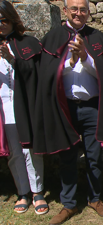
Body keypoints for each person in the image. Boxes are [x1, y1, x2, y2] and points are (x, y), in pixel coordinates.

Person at [34, 0, 103, 223]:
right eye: (74, 9)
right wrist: (69, 61)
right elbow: (48, 76)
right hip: (65, 108)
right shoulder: (53, 37)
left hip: (92, 107)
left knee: (94, 157)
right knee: (67, 156)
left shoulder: (95, 37)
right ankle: (69, 204)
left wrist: (85, 57)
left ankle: (94, 199)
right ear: (65, 11)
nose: (78, 13)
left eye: (83, 10)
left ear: (88, 13)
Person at [0, 0, 48, 215]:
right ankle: (22, 192)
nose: (0, 25)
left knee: (31, 150)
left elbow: (36, 73)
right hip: (4, 108)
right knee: (14, 153)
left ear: (12, 20)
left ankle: (37, 192)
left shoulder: (28, 42)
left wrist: (13, 59)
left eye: (3, 20)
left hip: (26, 105)